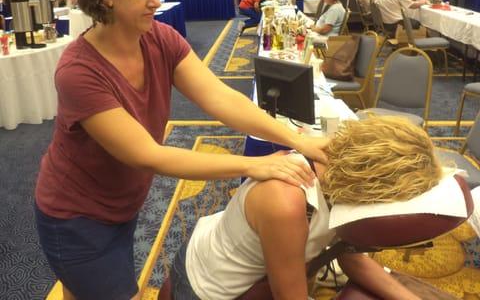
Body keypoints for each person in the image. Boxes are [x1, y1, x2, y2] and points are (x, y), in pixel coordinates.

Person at [34, 0, 328, 300]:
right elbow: (149, 155)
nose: (156, 1)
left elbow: (220, 98)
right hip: (76, 215)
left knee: (87, 290)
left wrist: (297, 140)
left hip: (122, 202)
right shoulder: (79, 72)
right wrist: (252, 165)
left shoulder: (159, 38)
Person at [169, 116, 441, 300]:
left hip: (243, 258)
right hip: (207, 287)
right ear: (377, 186)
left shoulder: (344, 181)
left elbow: (353, 260)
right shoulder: (286, 202)